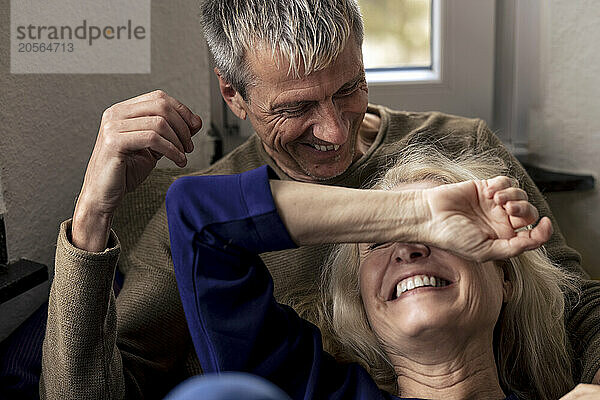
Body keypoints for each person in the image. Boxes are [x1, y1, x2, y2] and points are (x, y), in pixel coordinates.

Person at [41, 0, 600, 398]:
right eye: (295, 108)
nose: (333, 131)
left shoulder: (461, 148)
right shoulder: (207, 223)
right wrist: (92, 214)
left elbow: (571, 311)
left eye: (350, 88)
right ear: (233, 95)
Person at [164, 145, 578, 399]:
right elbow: (198, 215)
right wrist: (419, 212)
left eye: (444, 235)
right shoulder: (308, 390)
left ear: (506, 279)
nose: (410, 250)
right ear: (362, 304)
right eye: (379, 241)